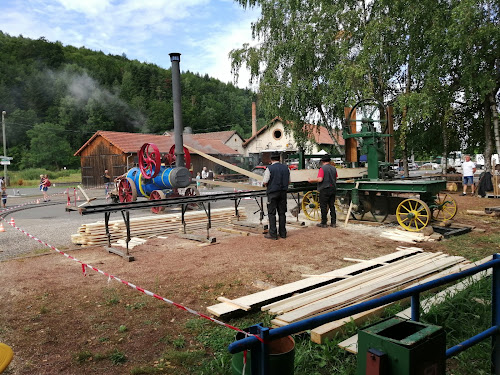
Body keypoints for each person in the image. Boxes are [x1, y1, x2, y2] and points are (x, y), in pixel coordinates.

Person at [262, 152, 290, 240]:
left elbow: (265, 181)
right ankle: (283, 233)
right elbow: (289, 181)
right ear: (279, 159)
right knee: (282, 213)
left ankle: (273, 234)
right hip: (283, 193)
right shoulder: (286, 168)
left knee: (272, 213)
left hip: (273, 193)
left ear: (271, 159)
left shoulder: (269, 168)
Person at [308, 155, 338, 228]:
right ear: (329, 161)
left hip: (324, 189)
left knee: (323, 206)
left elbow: (320, 179)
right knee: (332, 206)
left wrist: (312, 180)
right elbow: (336, 178)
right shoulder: (334, 168)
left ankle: (324, 223)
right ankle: (333, 223)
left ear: (322, 161)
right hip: (332, 188)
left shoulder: (322, 168)